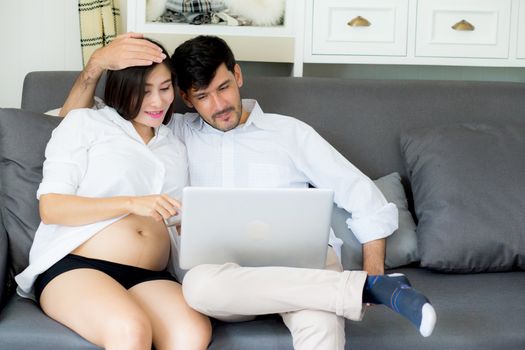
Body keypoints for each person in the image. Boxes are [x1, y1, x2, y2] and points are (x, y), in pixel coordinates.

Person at [59, 33, 437, 350]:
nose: (219, 104)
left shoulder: (290, 132)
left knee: (320, 325)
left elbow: (363, 197)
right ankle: (362, 290)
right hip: (224, 274)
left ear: (238, 75)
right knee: (198, 288)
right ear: (186, 99)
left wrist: (374, 266)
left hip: (302, 260)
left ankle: (365, 286)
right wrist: (96, 66)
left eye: (223, 87)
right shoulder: (170, 134)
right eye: (203, 96)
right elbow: (69, 123)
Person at [15, 38, 211, 350]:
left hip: (151, 275)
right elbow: (52, 208)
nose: (158, 101)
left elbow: (177, 218)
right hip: (79, 265)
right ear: (121, 88)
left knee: (192, 333)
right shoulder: (86, 123)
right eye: (145, 90)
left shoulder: (175, 145)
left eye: (165, 87)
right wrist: (133, 203)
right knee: (129, 329)